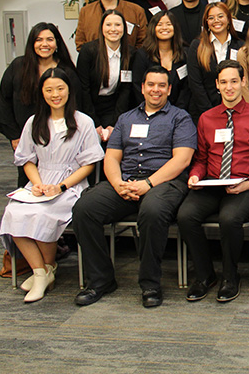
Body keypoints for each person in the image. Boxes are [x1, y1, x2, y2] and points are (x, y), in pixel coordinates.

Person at [72, 65, 197, 308]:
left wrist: (148, 183)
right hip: (125, 180)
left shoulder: (180, 118)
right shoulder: (126, 118)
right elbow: (111, 157)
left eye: (162, 85)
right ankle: (100, 280)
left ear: (169, 89)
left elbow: (182, 159)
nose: (156, 90)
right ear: (142, 88)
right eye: (151, 85)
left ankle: (150, 283)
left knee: (152, 211)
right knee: (84, 208)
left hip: (164, 182)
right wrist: (118, 183)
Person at [0, 68, 104, 302]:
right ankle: (42, 271)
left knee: (43, 214)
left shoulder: (83, 121)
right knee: (14, 212)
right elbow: (27, 159)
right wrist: (37, 184)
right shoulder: (34, 122)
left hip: (70, 185)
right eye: (49, 90)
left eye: (60, 88)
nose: (55, 94)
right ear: (42, 93)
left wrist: (61, 187)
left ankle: (43, 272)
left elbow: (88, 165)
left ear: (69, 90)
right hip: (40, 182)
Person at [178, 60, 249, 303]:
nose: (229, 87)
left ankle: (230, 276)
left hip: (245, 186)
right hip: (211, 184)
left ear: (243, 82)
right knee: (185, 215)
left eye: (234, 81)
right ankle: (205, 275)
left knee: (229, 218)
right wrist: (195, 175)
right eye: (224, 82)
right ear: (217, 85)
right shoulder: (206, 118)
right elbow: (200, 158)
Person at [0, 23, 79, 187]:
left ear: (57, 43)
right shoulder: (18, 67)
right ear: (32, 43)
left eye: (50, 39)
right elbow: (4, 101)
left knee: (58, 178)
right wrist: (14, 136)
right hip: (24, 135)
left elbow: (77, 105)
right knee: (28, 179)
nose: (45, 44)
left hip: (60, 136)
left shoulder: (67, 70)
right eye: (39, 40)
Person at [76, 10, 136, 143]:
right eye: (108, 25)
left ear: (124, 28)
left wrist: (115, 123)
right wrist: (94, 123)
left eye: (118, 25)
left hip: (114, 107)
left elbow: (126, 90)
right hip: (89, 106)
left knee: (115, 140)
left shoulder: (130, 53)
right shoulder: (88, 51)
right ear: (102, 28)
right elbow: (83, 89)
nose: (113, 29)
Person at [187, 2, 243, 123]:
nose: (216, 20)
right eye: (211, 18)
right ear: (206, 23)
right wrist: (210, 113)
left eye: (220, 16)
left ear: (228, 19)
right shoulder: (197, 46)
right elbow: (195, 83)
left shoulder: (240, 46)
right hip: (203, 112)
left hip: (235, 112)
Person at [131, 10, 190, 112]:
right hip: (148, 111)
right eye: (160, 24)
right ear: (153, 28)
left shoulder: (185, 54)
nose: (164, 28)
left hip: (179, 112)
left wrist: (175, 112)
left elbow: (186, 88)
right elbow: (137, 86)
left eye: (168, 24)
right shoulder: (142, 55)